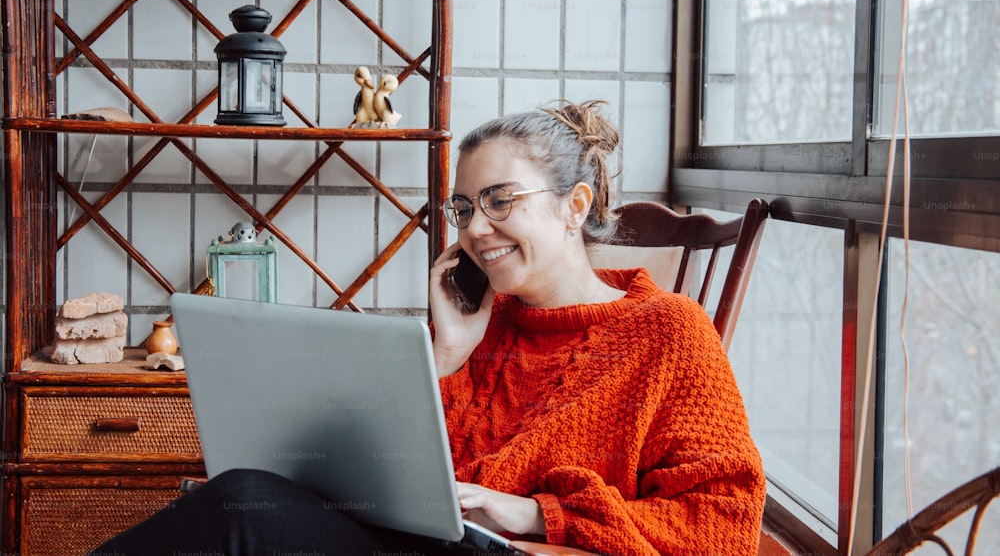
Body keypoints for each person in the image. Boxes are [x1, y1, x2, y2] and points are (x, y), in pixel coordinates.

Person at [90, 100, 766, 556]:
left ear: (574, 204)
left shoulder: (668, 331)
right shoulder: (479, 325)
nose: (474, 228)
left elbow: (724, 528)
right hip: (427, 547)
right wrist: (446, 352)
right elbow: (417, 494)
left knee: (240, 508)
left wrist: (536, 513)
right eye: (464, 206)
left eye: (501, 201)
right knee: (243, 496)